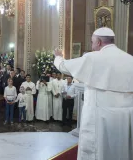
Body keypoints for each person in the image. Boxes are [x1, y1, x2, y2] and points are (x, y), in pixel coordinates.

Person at [54, 27, 133, 160]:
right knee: (120, 149)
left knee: (97, 151)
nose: (91, 45)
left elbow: (64, 66)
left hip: (99, 116)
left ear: (99, 42)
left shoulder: (93, 58)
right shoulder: (129, 59)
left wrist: (58, 57)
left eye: (92, 42)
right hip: (125, 116)